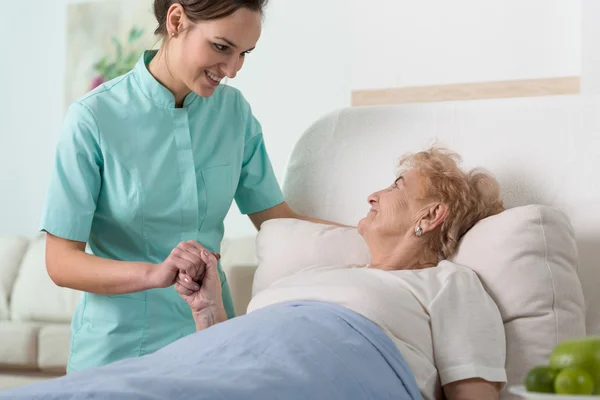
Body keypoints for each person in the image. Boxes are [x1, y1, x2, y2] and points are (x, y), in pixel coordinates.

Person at [4, 147, 507, 400]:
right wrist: (208, 310)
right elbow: (237, 359)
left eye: (397, 185)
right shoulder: (318, 273)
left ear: (431, 215)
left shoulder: (449, 284)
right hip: (214, 361)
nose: (374, 195)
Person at [41, 0, 335, 374]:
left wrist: (384, 240)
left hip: (211, 343)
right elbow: (60, 261)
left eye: (244, 54)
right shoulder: (93, 119)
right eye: (221, 47)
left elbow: (279, 221)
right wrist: (153, 274)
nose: (232, 70)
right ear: (176, 20)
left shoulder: (234, 114)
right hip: (117, 352)